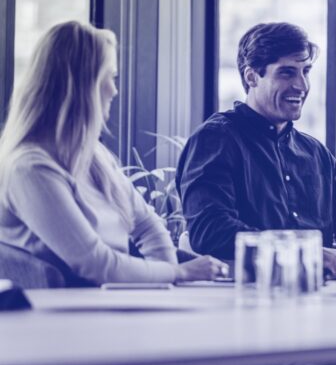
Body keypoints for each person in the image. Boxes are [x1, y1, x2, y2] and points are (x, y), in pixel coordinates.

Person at [0, 21, 225, 285]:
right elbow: (95, 264)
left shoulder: (94, 156)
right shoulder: (30, 169)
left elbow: (147, 225)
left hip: (107, 302)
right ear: (84, 85)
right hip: (63, 315)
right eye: (110, 77)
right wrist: (179, 273)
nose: (114, 90)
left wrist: (165, 280)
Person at [177, 22, 336, 279]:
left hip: (320, 300)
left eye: (305, 71)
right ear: (251, 77)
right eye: (287, 73)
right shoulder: (216, 139)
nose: (302, 85)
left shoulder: (315, 153)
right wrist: (305, 252)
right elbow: (211, 231)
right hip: (245, 304)